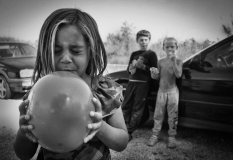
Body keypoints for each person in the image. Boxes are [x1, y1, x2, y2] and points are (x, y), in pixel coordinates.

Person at [13, 8, 129, 160]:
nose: (65, 58)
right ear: (45, 52)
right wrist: (24, 132)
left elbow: (122, 142)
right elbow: (23, 154)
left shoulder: (105, 91)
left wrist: (101, 127)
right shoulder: (39, 94)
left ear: (90, 51)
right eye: (56, 50)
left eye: (75, 50)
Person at [122, 30, 158, 141]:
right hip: (131, 82)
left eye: (146, 40)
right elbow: (129, 70)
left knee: (137, 108)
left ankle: (129, 132)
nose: (143, 42)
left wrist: (143, 67)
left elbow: (154, 71)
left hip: (143, 85)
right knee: (125, 105)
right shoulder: (134, 54)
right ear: (137, 41)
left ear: (149, 40)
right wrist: (131, 68)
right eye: (141, 40)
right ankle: (121, 127)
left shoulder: (152, 54)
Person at [148, 37, 183, 149]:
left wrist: (173, 61)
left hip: (172, 92)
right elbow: (158, 76)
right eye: (167, 47)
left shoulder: (178, 61)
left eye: (172, 46)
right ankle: (155, 135)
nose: (169, 49)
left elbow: (178, 75)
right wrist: (154, 74)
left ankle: (172, 136)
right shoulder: (160, 62)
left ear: (176, 48)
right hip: (161, 91)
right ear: (163, 48)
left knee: (173, 115)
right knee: (158, 114)